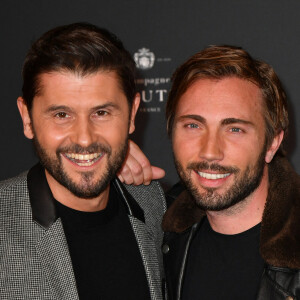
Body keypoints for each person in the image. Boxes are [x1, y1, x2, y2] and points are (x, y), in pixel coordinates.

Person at [0, 23, 166, 300]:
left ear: (132, 113)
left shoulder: (153, 206)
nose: (85, 138)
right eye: (62, 115)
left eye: (101, 112)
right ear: (27, 118)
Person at [123, 45, 300, 299]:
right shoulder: (159, 225)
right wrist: (106, 159)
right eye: (193, 125)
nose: (209, 151)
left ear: (272, 144)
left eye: (234, 129)